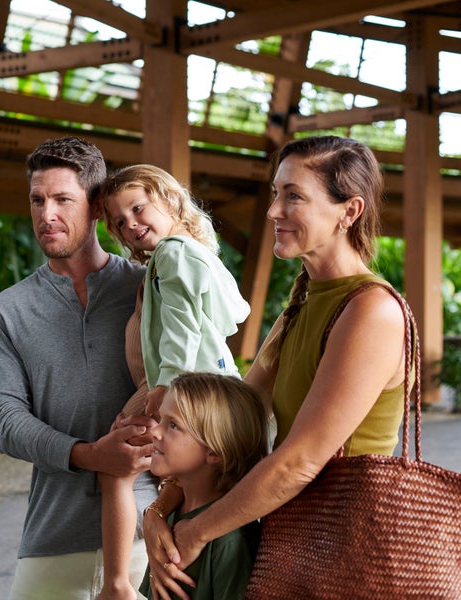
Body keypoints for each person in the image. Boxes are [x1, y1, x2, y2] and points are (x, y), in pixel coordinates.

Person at [142, 135, 408, 600]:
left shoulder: (372, 311)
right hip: (296, 536)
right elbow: (233, 419)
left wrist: (197, 531)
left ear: (349, 211)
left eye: (294, 196)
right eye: (275, 193)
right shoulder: (304, 298)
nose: (273, 211)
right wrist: (158, 511)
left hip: (347, 550)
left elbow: (301, 461)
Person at [0, 137, 158, 599]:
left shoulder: (149, 288)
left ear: (97, 206)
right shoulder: (8, 310)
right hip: (52, 541)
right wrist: (88, 454)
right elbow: (1, 420)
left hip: (153, 533)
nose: (46, 214)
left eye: (62, 199)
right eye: (37, 200)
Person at [97, 164, 250, 599]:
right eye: (120, 222)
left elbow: (182, 323)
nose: (131, 224)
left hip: (180, 382)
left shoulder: (172, 254)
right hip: (200, 381)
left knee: (115, 460)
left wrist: (166, 386)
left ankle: (118, 584)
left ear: (171, 199)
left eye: (139, 208)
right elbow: (235, 313)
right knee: (187, 475)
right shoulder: (194, 252)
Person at [139, 372, 268, 599]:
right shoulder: (167, 518)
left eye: (173, 426)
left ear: (214, 451)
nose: (155, 431)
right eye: (160, 420)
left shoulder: (232, 541)